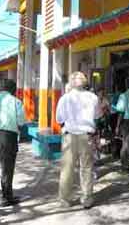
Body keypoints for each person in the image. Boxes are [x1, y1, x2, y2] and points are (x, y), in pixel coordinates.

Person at [56, 71, 101, 209]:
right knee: (87, 168)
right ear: (85, 82)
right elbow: (97, 116)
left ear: (71, 83)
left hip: (69, 137)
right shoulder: (93, 98)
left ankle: (65, 200)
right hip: (86, 136)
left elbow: (59, 119)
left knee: (67, 169)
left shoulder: (65, 98)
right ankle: (87, 198)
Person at [0, 79, 25, 207]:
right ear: (12, 89)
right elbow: (21, 122)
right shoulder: (16, 101)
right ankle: (5, 197)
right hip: (8, 136)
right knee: (7, 167)